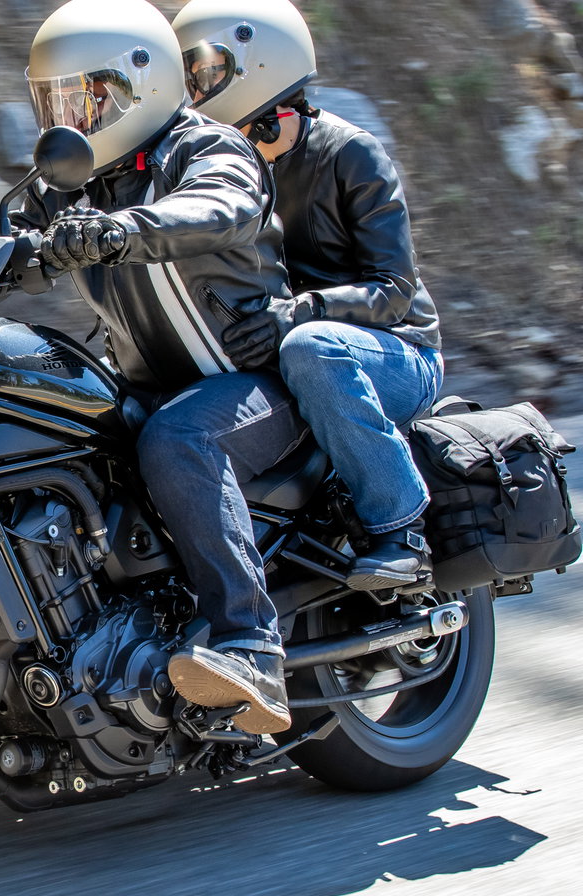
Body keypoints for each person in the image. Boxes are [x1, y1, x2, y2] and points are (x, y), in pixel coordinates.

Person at [14, 0, 299, 734]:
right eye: (55, 102)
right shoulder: (71, 182)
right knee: (47, 431)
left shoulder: (205, 149)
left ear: (140, 86)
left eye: (87, 97)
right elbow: (8, 235)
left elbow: (221, 206)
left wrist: (118, 231)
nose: (70, 117)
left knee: (179, 440)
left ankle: (250, 644)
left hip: (253, 387)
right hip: (150, 389)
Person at [173, 0, 444, 591]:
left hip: (393, 353)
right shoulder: (218, 169)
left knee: (312, 348)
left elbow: (394, 292)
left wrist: (301, 312)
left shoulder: (352, 154)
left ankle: (401, 528)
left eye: (208, 72)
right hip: (295, 346)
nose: (196, 89)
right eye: (188, 76)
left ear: (262, 69)